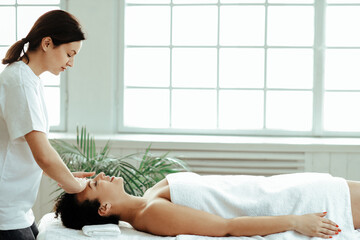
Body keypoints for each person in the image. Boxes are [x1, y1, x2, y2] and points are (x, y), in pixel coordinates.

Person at [0, 10, 95, 240]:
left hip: (17, 210)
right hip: (6, 213)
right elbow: (43, 155)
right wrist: (76, 187)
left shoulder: (29, 81)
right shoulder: (20, 82)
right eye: (69, 53)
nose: (71, 63)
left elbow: (30, 152)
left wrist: (69, 178)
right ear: (47, 43)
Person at [55, 171, 360, 239]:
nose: (99, 176)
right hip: (300, 201)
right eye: (95, 185)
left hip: (290, 186)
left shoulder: (149, 196)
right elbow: (226, 228)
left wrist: (76, 182)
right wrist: (296, 221)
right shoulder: (152, 214)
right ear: (104, 209)